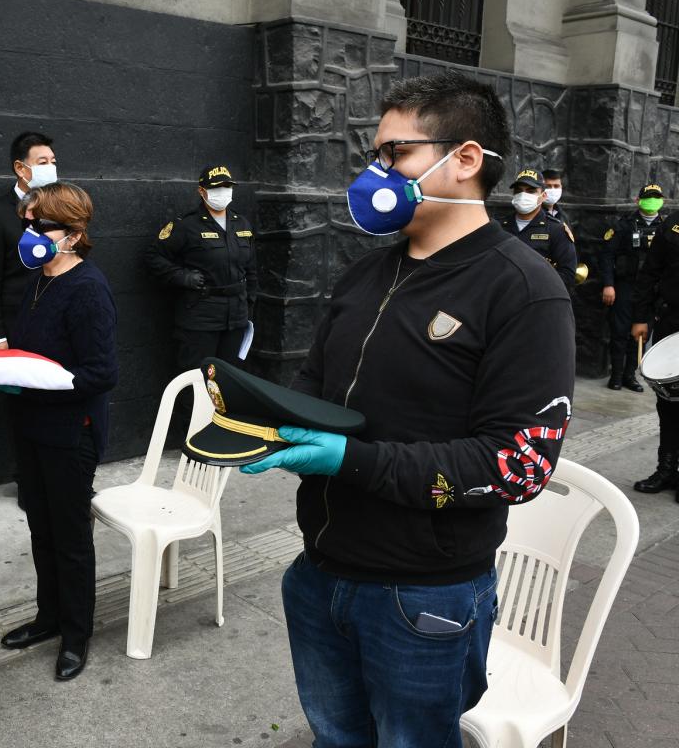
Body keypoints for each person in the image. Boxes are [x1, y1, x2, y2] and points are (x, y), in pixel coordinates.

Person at [240, 71, 575, 747]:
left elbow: (518, 464)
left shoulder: (524, 290)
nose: (376, 170)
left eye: (396, 153)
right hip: (319, 574)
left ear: (467, 159)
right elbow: (315, 385)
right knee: (337, 736)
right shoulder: (367, 272)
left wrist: (349, 460)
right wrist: (259, 418)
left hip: (423, 599)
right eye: (376, 153)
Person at [0, 183, 117, 682]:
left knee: (69, 537)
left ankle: (76, 635)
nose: (30, 233)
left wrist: (45, 381)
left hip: (71, 433)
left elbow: (101, 372)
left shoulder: (88, 289)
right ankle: (49, 618)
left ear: (74, 233)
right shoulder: (38, 281)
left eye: (41, 225)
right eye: (27, 222)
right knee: (40, 528)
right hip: (31, 426)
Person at [145, 165, 258, 371]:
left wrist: (250, 300)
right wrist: (181, 277)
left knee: (229, 379)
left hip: (236, 317)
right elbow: (154, 256)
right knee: (196, 380)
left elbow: (250, 268)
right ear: (201, 191)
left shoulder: (241, 224)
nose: (222, 192)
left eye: (227, 186)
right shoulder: (186, 225)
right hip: (200, 316)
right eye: (216, 187)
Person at [0, 131, 58, 350]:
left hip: (57, 321)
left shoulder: (61, 210)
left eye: (53, 162)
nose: (50, 167)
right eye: (42, 162)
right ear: (21, 168)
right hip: (18, 325)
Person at [630, 183, 679, 497]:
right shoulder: (672, 226)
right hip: (671, 324)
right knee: (668, 403)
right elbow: (649, 273)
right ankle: (666, 468)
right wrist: (640, 317)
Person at [599, 183, 668, 391]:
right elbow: (606, 255)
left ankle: (631, 375)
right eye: (649, 197)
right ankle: (617, 376)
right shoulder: (624, 225)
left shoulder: (666, 227)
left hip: (650, 291)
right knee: (619, 332)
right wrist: (608, 285)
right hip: (625, 286)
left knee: (640, 334)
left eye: (657, 197)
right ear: (638, 200)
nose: (653, 201)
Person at [498, 167, 577, 290]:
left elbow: (567, 274)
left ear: (543, 195)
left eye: (531, 191)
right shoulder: (499, 226)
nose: (523, 195)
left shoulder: (556, 230)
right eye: (518, 191)